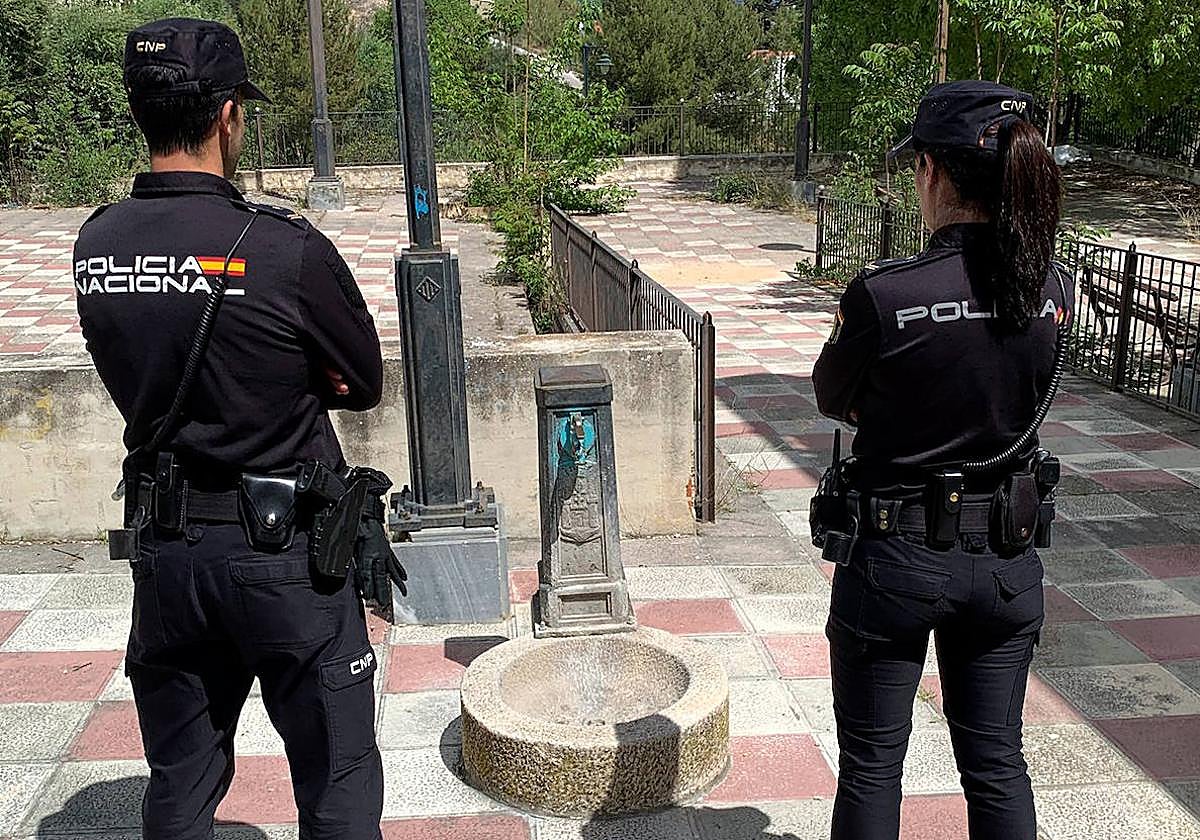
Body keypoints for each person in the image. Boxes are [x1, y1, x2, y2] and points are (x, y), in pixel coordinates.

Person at [74, 18, 403, 840]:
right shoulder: (284, 249)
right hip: (287, 560)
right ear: (228, 115)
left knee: (180, 782)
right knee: (338, 782)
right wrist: (295, 372)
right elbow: (362, 382)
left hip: (168, 560)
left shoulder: (96, 245)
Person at [811, 81, 1072, 840]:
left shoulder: (886, 295)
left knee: (871, 768)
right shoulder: (1051, 289)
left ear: (931, 171)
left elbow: (835, 397)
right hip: (1007, 559)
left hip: (893, 560)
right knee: (996, 765)